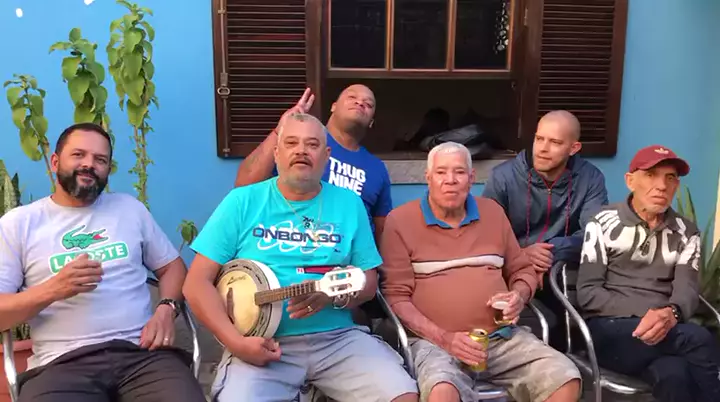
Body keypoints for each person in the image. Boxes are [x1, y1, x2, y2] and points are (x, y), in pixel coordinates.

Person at [184, 112, 418, 402]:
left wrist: (333, 296)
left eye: (312, 144)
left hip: (338, 339)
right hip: (262, 343)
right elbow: (196, 283)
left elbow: (368, 282)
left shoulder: (349, 203)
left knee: (403, 396)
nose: (301, 151)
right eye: (292, 143)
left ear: (327, 155)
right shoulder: (242, 201)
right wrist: (236, 343)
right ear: (277, 152)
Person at [0, 123, 204, 402]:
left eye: (100, 159)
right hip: (61, 364)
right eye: (78, 155)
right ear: (55, 162)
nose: (89, 164)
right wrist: (53, 289)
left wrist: (166, 309)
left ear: (108, 169)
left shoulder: (129, 209)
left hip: (142, 355)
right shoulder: (19, 224)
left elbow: (172, 267)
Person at [380, 142, 582, 402]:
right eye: (441, 172)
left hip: (500, 338)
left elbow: (522, 270)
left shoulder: (493, 213)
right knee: (441, 392)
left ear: (471, 178)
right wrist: (445, 338)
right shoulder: (400, 221)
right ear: (428, 177)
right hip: (435, 343)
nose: (450, 180)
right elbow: (395, 297)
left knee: (566, 378)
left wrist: (519, 296)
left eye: (459, 172)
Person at [234, 85, 392, 323]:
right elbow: (244, 185)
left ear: (372, 122)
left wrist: (370, 279)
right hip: (284, 255)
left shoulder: (376, 168)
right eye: (352, 97)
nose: (360, 103)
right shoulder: (300, 149)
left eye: (368, 103)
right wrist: (281, 130)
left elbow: (383, 230)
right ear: (333, 107)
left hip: (347, 274)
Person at [577, 145, 720, 402]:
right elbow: (589, 293)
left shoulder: (686, 232)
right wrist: (651, 312)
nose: (661, 186)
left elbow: (687, 290)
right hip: (611, 330)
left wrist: (670, 313)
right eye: (651, 175)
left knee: (673, 375)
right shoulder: (602, 223)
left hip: (666, 331)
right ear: (630, 181)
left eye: (670, 178)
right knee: (698, 338)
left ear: (676, 186)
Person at [482, 110, 608, 349]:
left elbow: (595, 234)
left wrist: (550, 253)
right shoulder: (503, 177)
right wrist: (523, 255)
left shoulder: (590, 178)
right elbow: (486, 236)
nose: (542, 148)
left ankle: (571, 357)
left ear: (574, 148)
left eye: (555, 142)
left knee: (588, 313)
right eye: (539, 139)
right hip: (509, 269)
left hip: (561, 270)